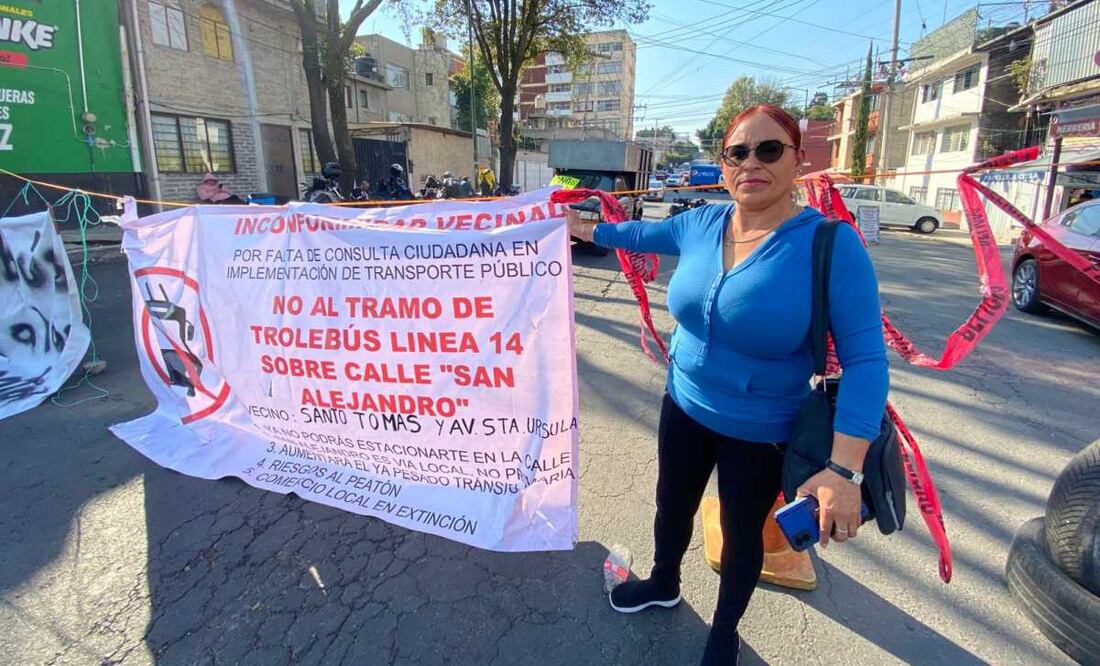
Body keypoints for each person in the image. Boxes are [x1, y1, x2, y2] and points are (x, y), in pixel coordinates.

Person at [566, 104, 888, 665]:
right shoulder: (700, 223)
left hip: (762, 431)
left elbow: (866, 362)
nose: (751, 163)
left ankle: (723, 632)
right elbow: (638, 232)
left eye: (769, 149)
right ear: (723, 165)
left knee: (742, 535)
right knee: (671, 505)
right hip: (683, 405)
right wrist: (582, 226)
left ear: (797, 160)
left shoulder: (831, 245)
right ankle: (664, 582)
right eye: (738, 152)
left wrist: (843, 472)